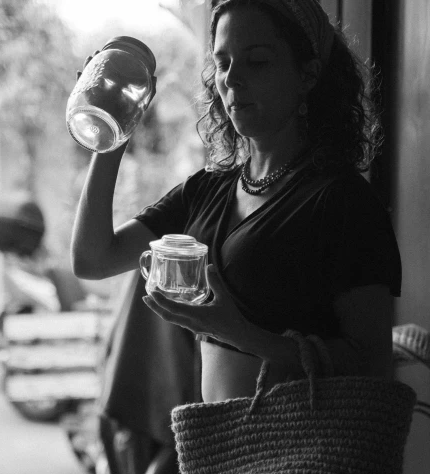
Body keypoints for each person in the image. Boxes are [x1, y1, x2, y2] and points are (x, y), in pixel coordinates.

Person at [71, 0, 400, 405]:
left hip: (300, 457)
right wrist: (113, 125)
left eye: (257, 62)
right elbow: (93, 259)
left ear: (308, 75)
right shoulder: (207, 191)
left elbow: (372, 365)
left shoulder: (341, 201)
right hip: (216, 451)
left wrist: (239, 332)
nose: (232, 79)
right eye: (223, 63)